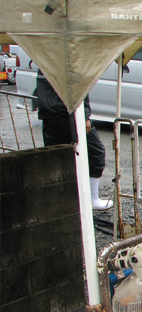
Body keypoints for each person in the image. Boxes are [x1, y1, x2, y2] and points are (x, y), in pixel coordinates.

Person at [36, 70, 113, 211]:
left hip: (49, 114)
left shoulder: (45, 58)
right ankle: (91, 199)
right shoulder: (69, 57)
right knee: (95, 152)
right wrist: (85, 116)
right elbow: (78, 88)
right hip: (69, 114)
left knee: (57, 156)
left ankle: (61, 200)